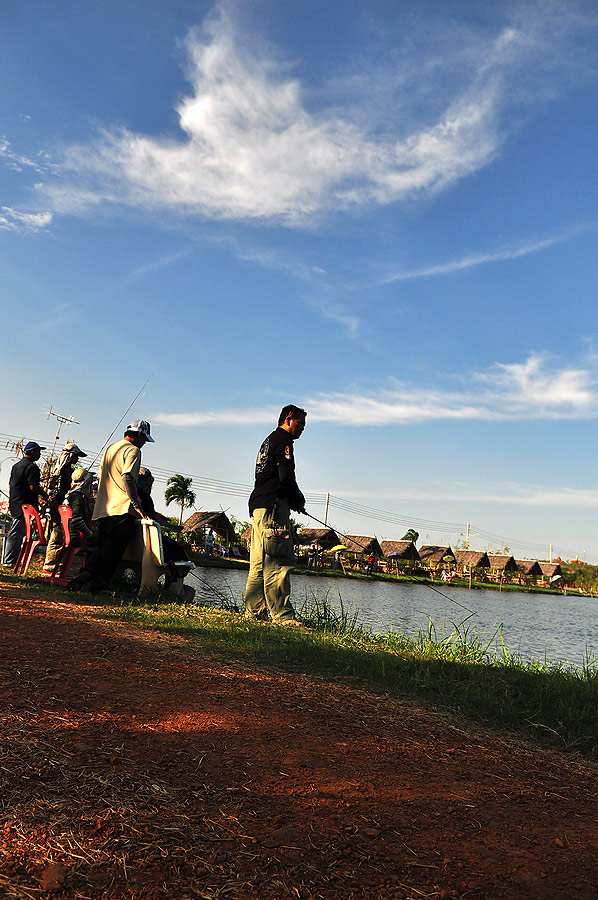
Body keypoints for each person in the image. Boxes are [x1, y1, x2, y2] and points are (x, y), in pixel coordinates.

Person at [67, 420, 154, 592]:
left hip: (104, 508)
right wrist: (137, 504)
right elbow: (128, 476)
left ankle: (87, 574)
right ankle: (99, 585)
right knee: (114, 551)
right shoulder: (133, 450)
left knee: (102, 546)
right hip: (122, 508)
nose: (144, 443)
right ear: (138, 435)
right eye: (144, 439)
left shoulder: (111, 449)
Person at [244, 404, 307, 625]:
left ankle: (255, 612)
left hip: (259, 505)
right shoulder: (283, 441)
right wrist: (297, 497)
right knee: (277, 561)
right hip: (272, 506)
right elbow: (286, 477)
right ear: (289, 418)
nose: (302, 429)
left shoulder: (269, 440)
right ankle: (283, 616)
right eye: (300, 423)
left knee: (259, 563)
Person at [41, 440, 87, 576]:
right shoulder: (66, 470)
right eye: (76, 456)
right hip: (60, 506)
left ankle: (52, 566)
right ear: (71, 455)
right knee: (58, 536)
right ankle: (50, 567)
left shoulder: (56, 468)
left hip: (54, 505)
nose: (77, 458)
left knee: (56, 536)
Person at [4, 441, 49, 567]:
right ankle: (9, 562)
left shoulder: (16, 466)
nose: (40, 455)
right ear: (33, 452)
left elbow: (10, 485)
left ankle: (14, 560)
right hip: (25, 506)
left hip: (15, 502)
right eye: (39, 452)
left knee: (18, 532)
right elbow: (33, 486)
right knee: (16, 533)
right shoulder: (32, 467)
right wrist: (44, 495)